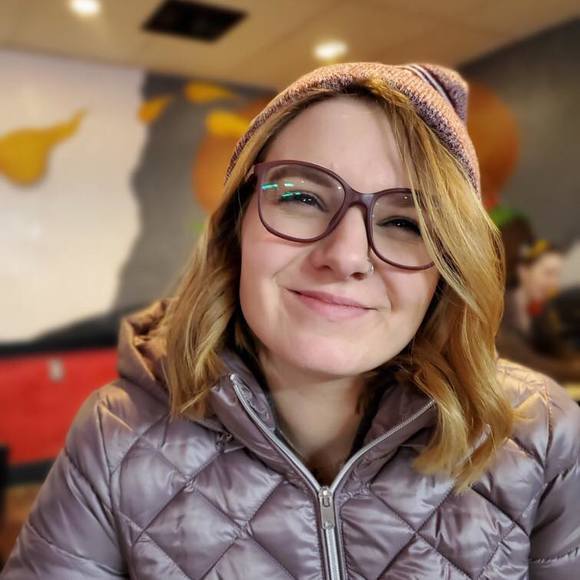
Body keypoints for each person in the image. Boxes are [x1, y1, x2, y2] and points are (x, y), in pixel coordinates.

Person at [2, 63, 580, 580]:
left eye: (407, 223)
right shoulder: (115, 437)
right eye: (302, 198)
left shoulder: (542, 434)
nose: (347, 256)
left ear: (448, 269)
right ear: (236, 226)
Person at [497, 239, 580, 382]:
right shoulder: (500, 311)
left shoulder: (539, 309)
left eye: (557, 275)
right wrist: (574, 370)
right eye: (548, 273)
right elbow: (525, 364)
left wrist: (573, 361)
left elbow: (555, 347)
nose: (553, 283)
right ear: (523, 272)